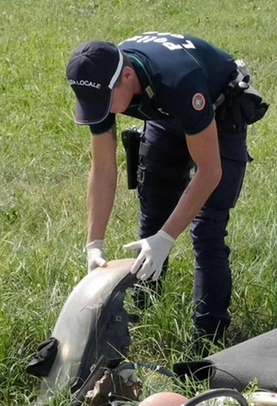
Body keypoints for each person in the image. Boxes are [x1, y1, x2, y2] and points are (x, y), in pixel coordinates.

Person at [66, 32, 266, 343]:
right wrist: (94, 243)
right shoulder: (100, 80)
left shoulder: (178, 80)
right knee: (152, 221)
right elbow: (103, 169)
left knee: (207, 230)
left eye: (105, 103)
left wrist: (167, 239)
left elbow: (210, 171)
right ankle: (145, 321)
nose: (101, 111)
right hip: (163, 113)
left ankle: (207, 338)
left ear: (128, 76)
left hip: (216, 109)